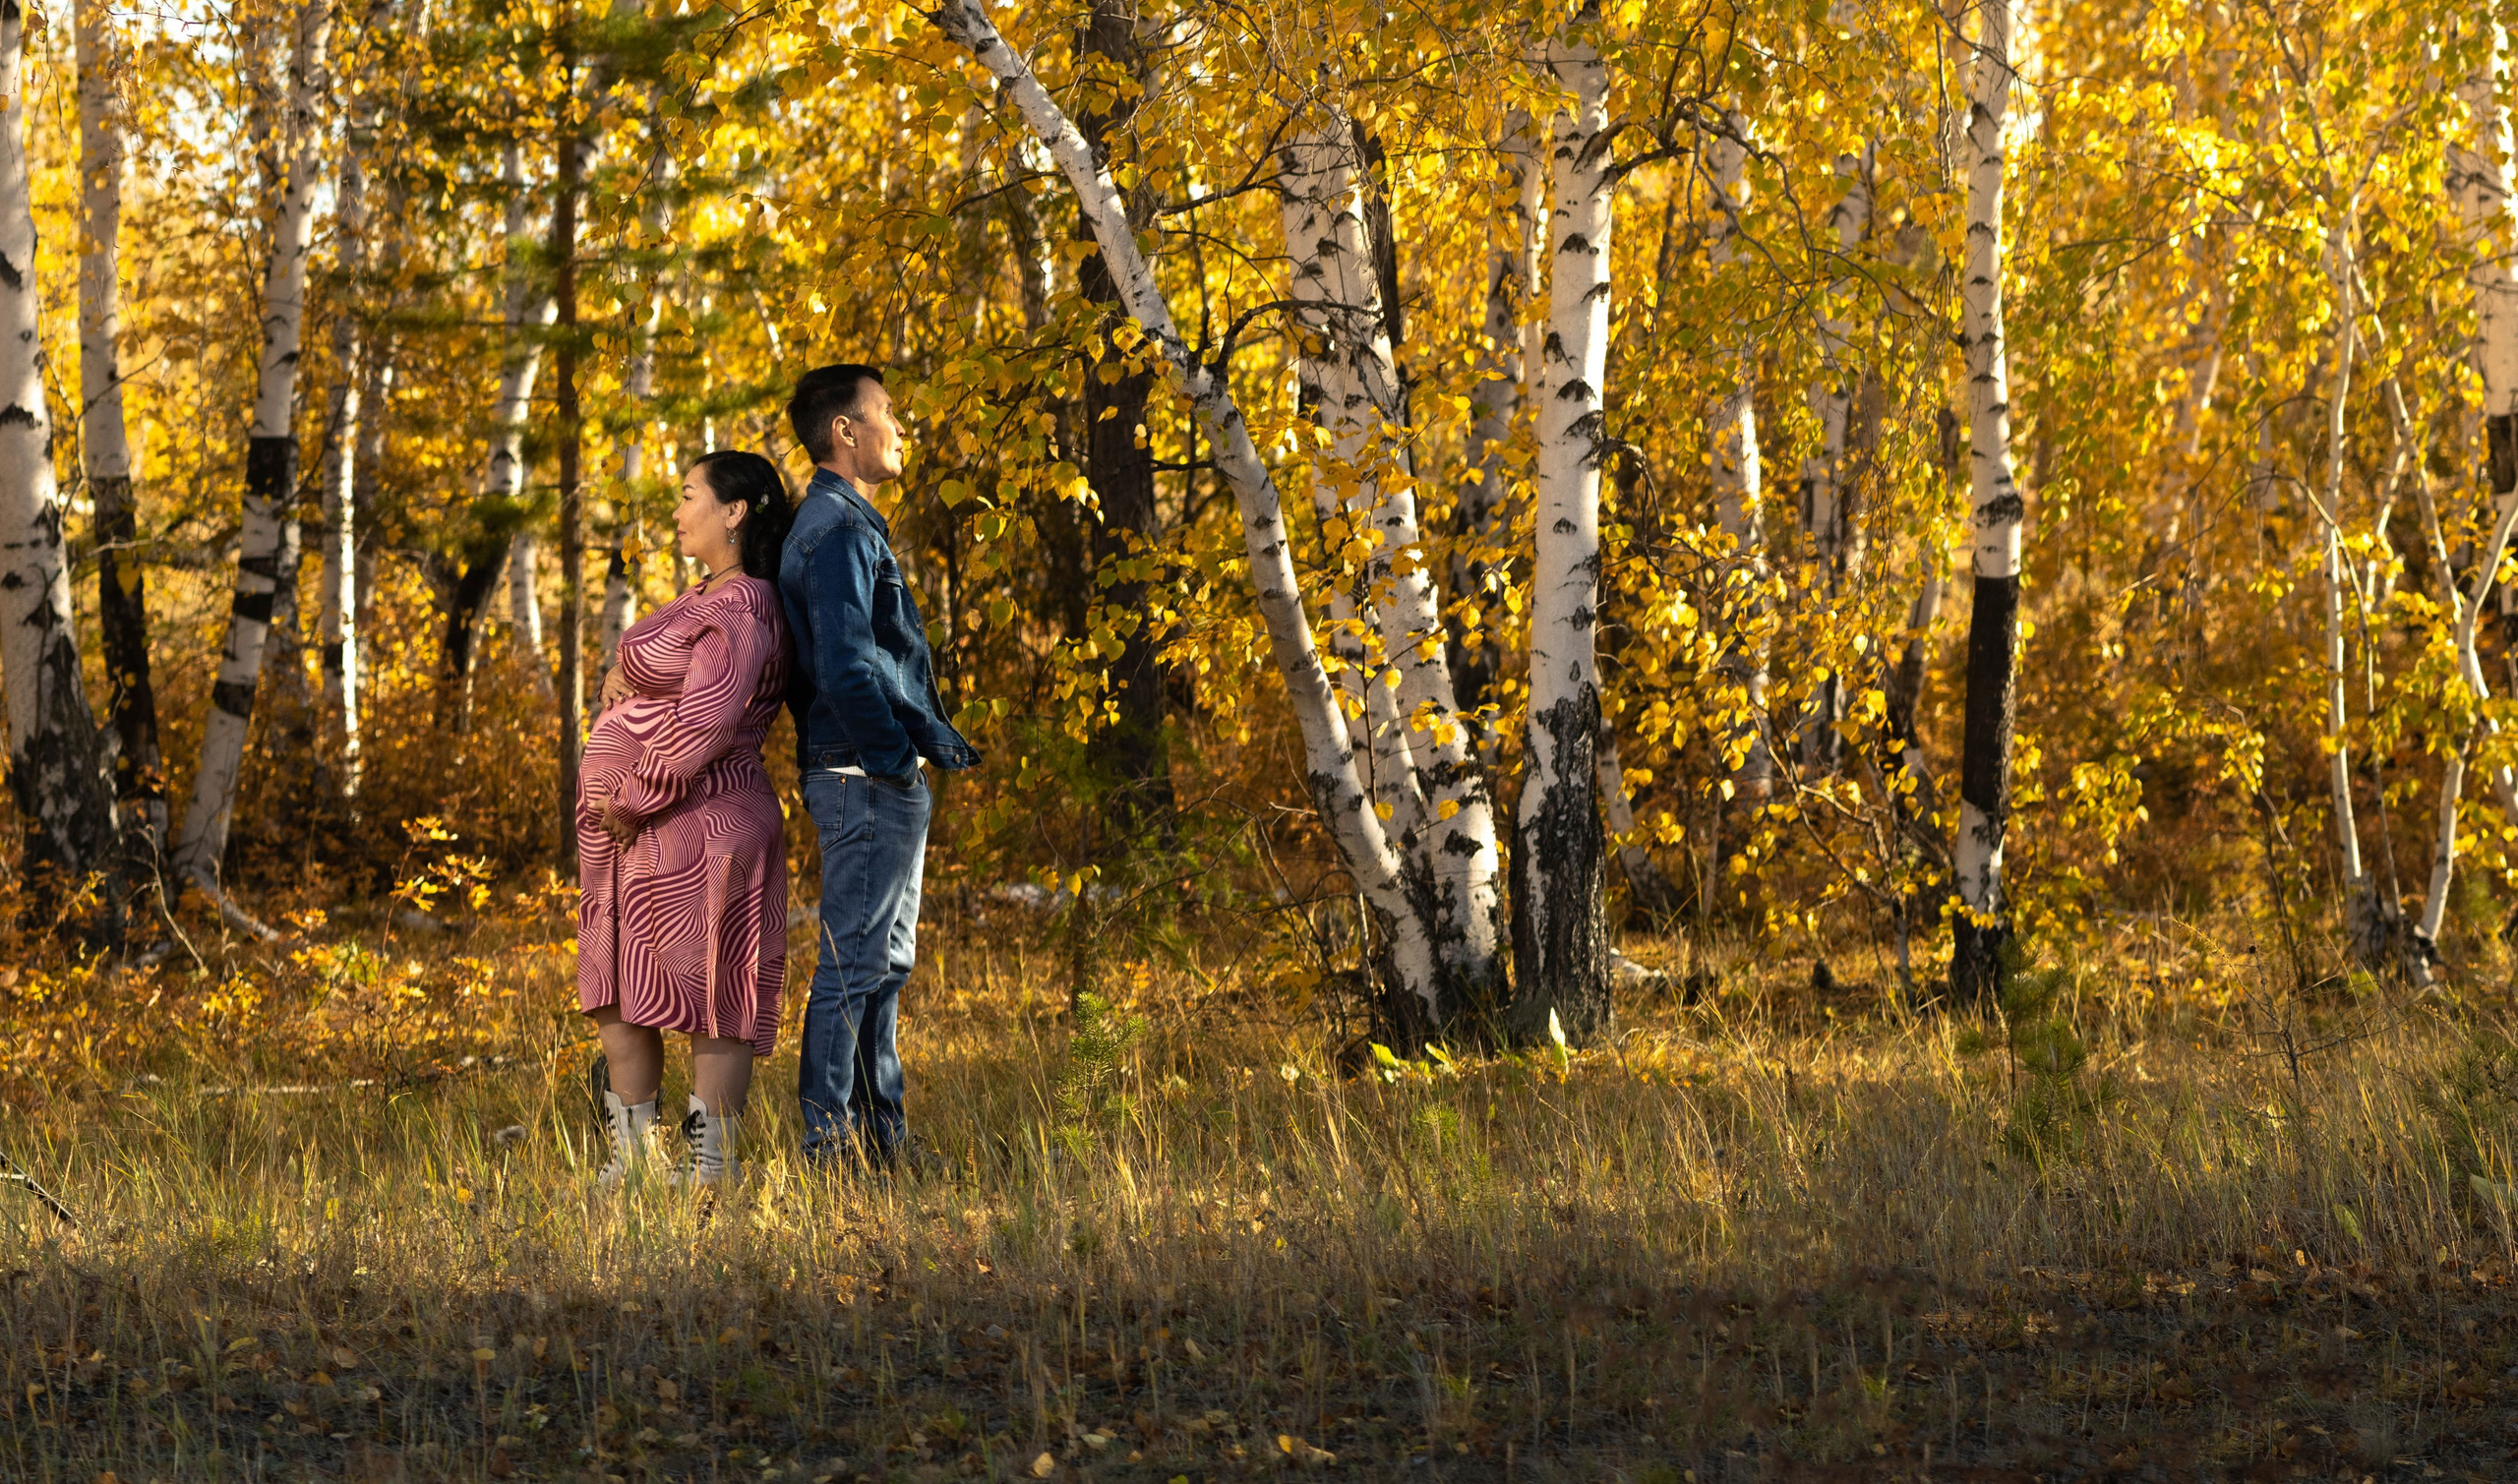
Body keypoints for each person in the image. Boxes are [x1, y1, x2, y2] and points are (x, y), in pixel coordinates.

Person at [780, 364, 981, 1172]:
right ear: (845, 431)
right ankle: (828, 1151)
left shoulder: (843, 522)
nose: (899, 427)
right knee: (853, 965)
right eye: (886, 413)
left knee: (882, 966)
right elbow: (847, 664)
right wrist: (895, 758)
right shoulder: (835, 529)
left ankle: (880, 1142)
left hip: (869, 772)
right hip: (863, 774)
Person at [578, 450, 795, 1190]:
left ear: (734, 511)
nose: (675, 510)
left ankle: (711, 1168)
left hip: (697, 822)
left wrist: (634, 795)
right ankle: (635, 1161)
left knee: (712, 990)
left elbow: (707, 717)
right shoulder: (705, 594)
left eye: (686, 494)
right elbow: (660, 674)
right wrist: (623, 678)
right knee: (625, 984)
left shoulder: (745, 605)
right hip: (640, 832)